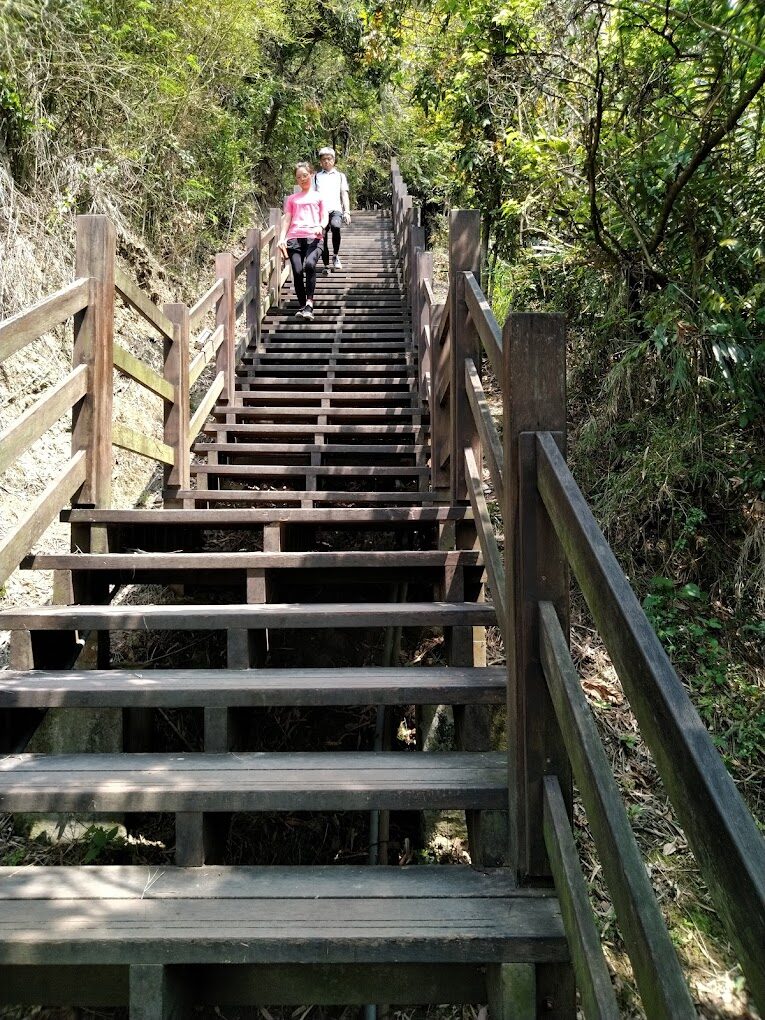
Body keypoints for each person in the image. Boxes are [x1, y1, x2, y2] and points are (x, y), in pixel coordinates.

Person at [278, 162, 327, 320]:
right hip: (294, 238)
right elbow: (287, 219)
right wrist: (281, 238)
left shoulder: (319, 196)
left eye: (305, 175)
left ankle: (309, 302)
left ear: (311, 175)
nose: (302, 179)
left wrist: (321, 226)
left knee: (310, 265)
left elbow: (324, 216)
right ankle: (303, 307)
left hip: (314, 237)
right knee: (298, 271)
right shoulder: (292, 199)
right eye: (299, 177)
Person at [314, 146, 351, 272]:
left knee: (336, 227)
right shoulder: (316, 177)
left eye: (329, 159)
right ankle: (325, 265)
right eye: (324, 159)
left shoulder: (340, 176)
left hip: (336, 209)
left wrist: (347, 212)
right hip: (321, 211)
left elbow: (344, 194)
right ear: (320, 161)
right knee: (322, 237)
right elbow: (312, 196)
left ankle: (335, 256)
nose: (326, 161)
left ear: (334, 160)